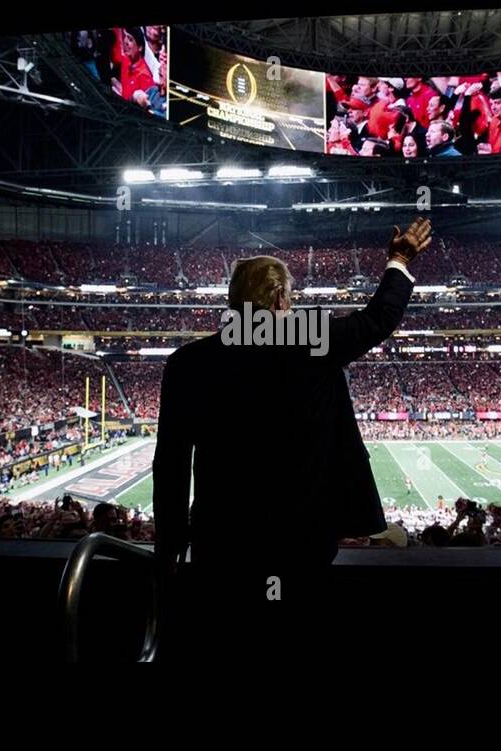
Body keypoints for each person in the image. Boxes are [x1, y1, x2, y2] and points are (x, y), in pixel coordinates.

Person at [153, 217, 432, 662]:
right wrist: (399, 259)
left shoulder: (188, 363)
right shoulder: (310, 345)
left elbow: (169, 466)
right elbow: (378, 319)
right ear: (281, 301)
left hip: (220, 543)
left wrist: (168, 546)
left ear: (234, 301)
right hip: (300, 543)